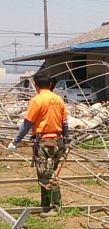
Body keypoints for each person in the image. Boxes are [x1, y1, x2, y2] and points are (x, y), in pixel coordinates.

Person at [8, 70, 70, 218]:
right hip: (58, 141)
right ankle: (46, 205)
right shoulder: (58, 99)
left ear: (35, 85)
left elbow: (27, 123)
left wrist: (15, 141)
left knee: (47, 175)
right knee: (46, 172)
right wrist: (67, 140)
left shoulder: (36, 100)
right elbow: (65, 122)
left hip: (45, 142)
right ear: (50, 84)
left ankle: (56, 207)